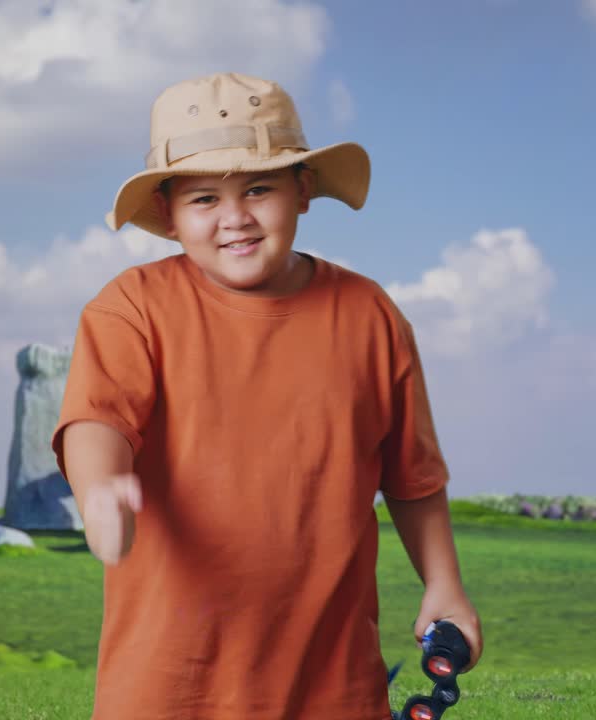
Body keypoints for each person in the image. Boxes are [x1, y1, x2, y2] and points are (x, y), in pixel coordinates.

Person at [51, 72, 482, 720]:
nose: (235, 218)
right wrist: (100, 487)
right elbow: (97, 419)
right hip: (170, 690)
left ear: (303, 190)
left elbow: (413, 476)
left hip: (333, 687)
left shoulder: (369, 316)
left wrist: (444, 584)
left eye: (259, 188)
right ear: (169, 214)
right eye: (203, 198)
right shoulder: (132, 308)